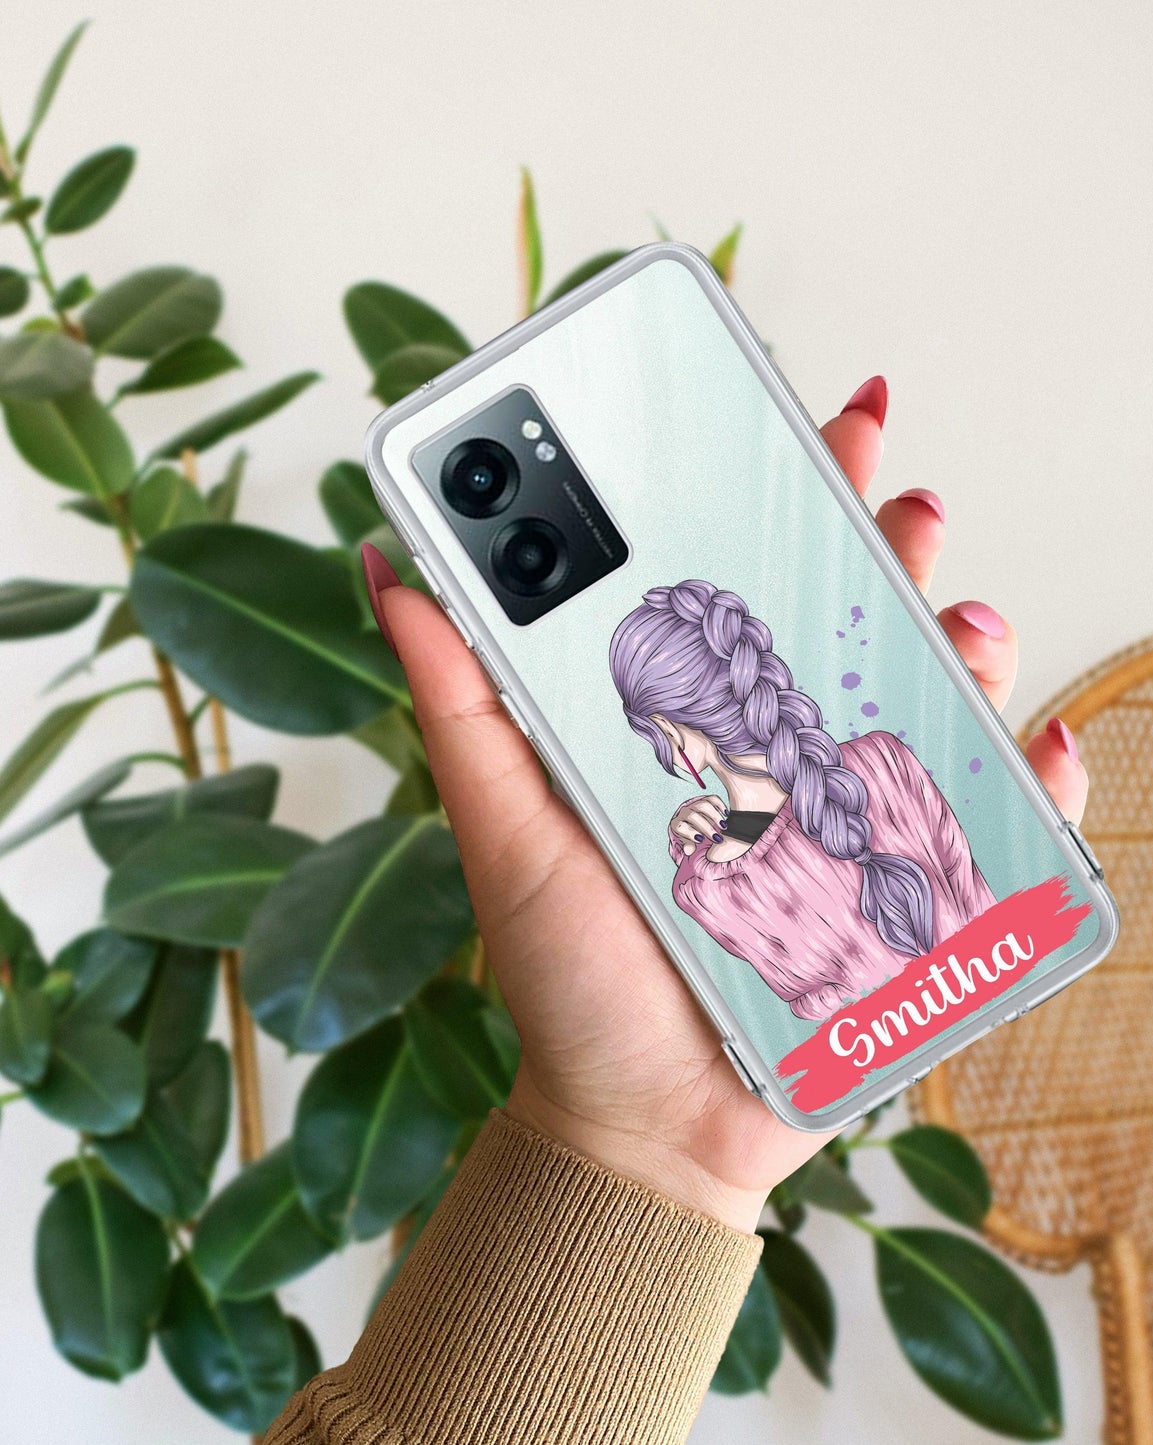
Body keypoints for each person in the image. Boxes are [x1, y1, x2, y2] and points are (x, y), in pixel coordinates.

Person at [265, 377, 1088, 1445]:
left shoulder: (714, 877)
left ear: (671, 731)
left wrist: (640, 1148)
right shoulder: (870, 770)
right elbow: (957, 926)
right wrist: (639, 1147)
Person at [610, 578, 997, 1020]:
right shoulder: (884, 758)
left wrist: (692, 851)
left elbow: (830, 1015)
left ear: (666, 729)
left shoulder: (708, 889)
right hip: (1003, 978)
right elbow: (976, 898)